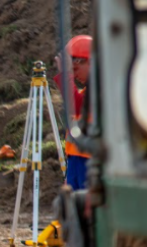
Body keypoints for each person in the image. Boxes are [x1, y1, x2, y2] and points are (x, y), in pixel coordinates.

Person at [54, 34, 92, 191]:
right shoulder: (87, 91)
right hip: (76, 161)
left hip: (90, 163)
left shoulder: (102, 89)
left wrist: (65, 74)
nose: (74, 75)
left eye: (76, 69)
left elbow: (76, 105)